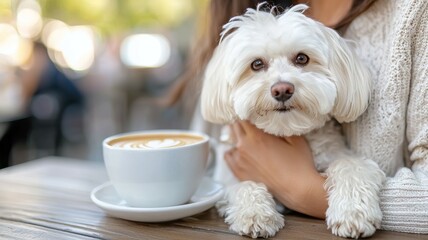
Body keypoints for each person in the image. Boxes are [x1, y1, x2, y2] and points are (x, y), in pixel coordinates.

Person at [165, 0, 428, 234]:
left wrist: (305, 190)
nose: (281, 85)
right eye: (258, 65)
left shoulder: (412, 12)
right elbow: (218, 183)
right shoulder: (235, 143)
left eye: (301, 59)